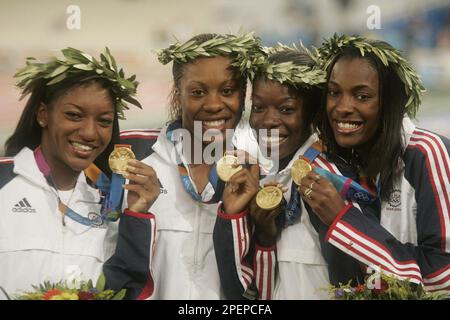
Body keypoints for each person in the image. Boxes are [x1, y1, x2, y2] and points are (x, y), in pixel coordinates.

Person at [103, 32, 264, 299]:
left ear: (243, 95)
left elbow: (250, 288)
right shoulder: (129, 156)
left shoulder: (254, 176)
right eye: (198, 92)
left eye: (227, 91)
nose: (214, 104)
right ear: (178, 95)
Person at [213, 44, 365, 300]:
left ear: (314, 114)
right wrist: (262, 236)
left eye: (286, 109)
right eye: (259, 107)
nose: (268, 121)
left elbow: (355, 286)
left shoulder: (330, 180)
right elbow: (258, 296)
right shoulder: (268, 179)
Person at [300, 34, 450, 292]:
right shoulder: (345, 161)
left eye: (362, 96)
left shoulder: (426, 153)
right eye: (334, 93)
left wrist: (344, 220)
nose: (343, 107)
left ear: (389, 104)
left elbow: (443, 276)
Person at [0, 47, 153, 298]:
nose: (90, 133)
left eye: (104, 121)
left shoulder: (112, 202)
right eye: (74, 115)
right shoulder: (4, 180)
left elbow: (123, 289)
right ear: (43, 115)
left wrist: (136, 216)